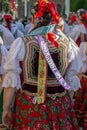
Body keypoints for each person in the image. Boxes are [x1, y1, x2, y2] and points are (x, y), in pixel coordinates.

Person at [2, 0, 81, 129]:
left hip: (29, 107)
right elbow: (72, 80)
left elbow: (11, 81)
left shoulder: (22, 43)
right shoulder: (68, 43)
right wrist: (64, 103)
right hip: (60, 107)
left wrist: (6, 109)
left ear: (34, 18)